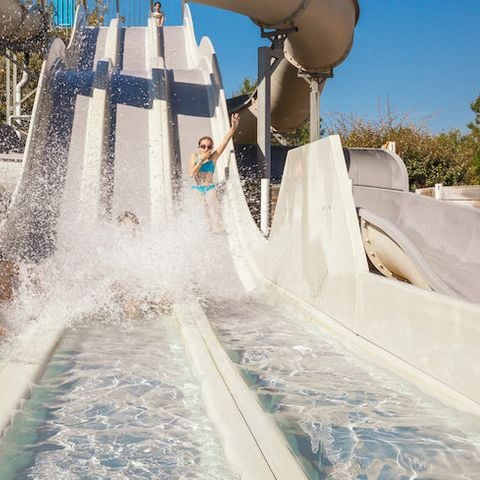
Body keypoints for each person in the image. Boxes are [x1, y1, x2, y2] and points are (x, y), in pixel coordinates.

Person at [189, 113, 240, 231]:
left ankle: (217, 230)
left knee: (212, 208)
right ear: (199, 147)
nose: (206, 149)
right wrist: (201, 161)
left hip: (209, 187)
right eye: (203, 146)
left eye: (209, 146)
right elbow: (191, 173)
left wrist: (234, 126)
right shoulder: (194, 157)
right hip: (197, 188)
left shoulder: (213, 157)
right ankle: (204, 230)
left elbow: (225, 141)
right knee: (201, 210)